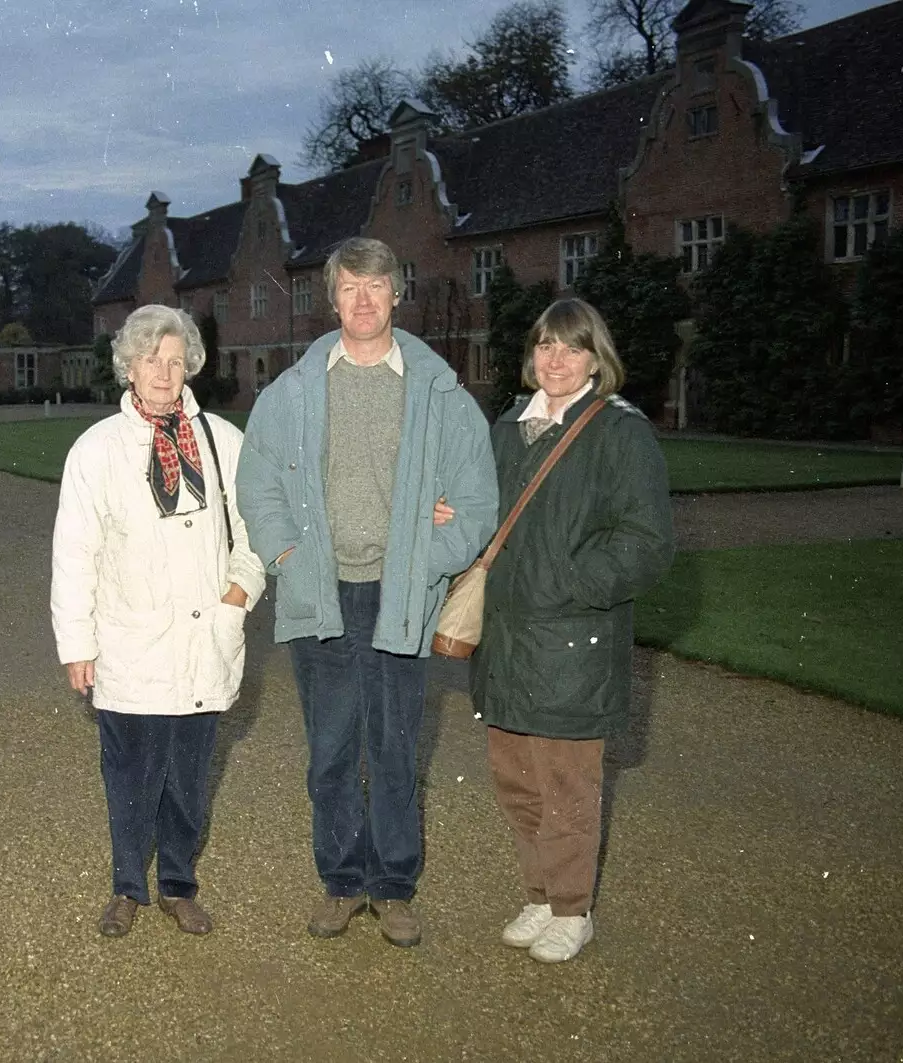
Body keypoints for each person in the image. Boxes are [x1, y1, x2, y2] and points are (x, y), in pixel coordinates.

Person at [236, 237, 498, 947]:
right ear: (332, 296)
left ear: (395, 293)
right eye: (349, 286)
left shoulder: (438, 391)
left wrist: (430, 558)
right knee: (329, 748)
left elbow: (475, 500)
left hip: (400, 597)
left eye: (375, 286)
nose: (362, 300)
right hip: (323, 591)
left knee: (392, 746)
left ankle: (394, 886)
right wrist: (286, 551)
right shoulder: (294, 389)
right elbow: (256, 482)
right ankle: (342, 881)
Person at [456, 296, 674, 963]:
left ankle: (573, 908)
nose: (556, 359)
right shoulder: (507, 429)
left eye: (572, 347)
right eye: (546, 346)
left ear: (595, 357)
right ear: (531, 355)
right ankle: (540, 892)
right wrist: (453, 518)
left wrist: (568, 584)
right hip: (507, 637)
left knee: (567, 782)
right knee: (516, 776)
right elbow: (484, 513)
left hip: (572, 638)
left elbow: (645, 542)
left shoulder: (619, 432)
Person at [51, 303, 265, 939]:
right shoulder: (97, 450)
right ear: (129, 367)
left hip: (204, 639)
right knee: (130, 775)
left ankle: (178, 884)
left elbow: (258, 530)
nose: (164, 373)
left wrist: (238, 594)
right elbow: (74, 553)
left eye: (175, 361)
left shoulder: (224, 443)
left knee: (190, 779)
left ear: (189, 366)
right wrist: (77, 643)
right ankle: (126, 887)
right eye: (152, 359)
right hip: (130, 642)